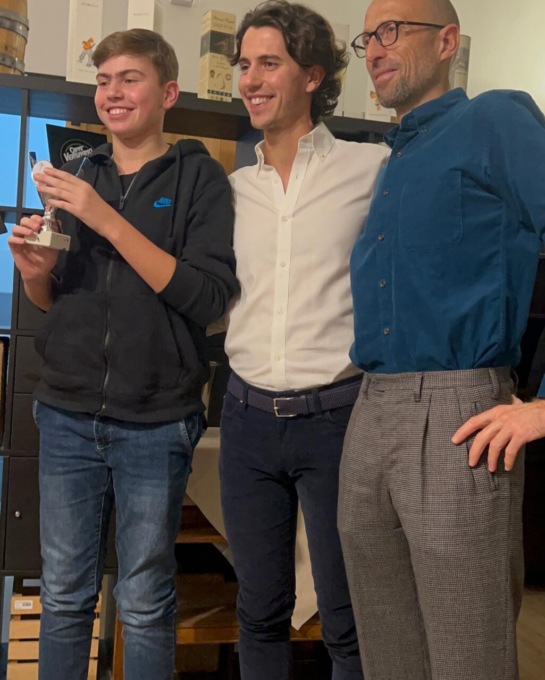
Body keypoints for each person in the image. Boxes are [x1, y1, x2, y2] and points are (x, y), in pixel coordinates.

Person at [8, 28, 237, 680]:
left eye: (129, 78)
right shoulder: (80, 170)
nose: (112, 92)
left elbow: (207, 297)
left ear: (168, 93)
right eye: (104, 80)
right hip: (66, 411)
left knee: (142, 599)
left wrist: (104, 218)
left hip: (157, 420)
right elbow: (55, 299)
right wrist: (34, 272)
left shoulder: (200, 178)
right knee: (63, 594)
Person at [338, 0, 545, 679]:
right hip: (370, 410)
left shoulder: (495, 119)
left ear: (448, 41)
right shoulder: (393, 160)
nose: (374, 48)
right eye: (367, 38)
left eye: (391, 30)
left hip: (458, 412)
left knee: (467, 655)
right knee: (387, 656)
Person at [218, 2, 388, 679]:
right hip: (245, 420)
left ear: (313, 75)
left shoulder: (372, 168)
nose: (250, 79)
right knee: (258, 612)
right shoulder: (232, 191)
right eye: (244, 65)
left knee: (348, 620)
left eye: (269, 63)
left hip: (339, 421)